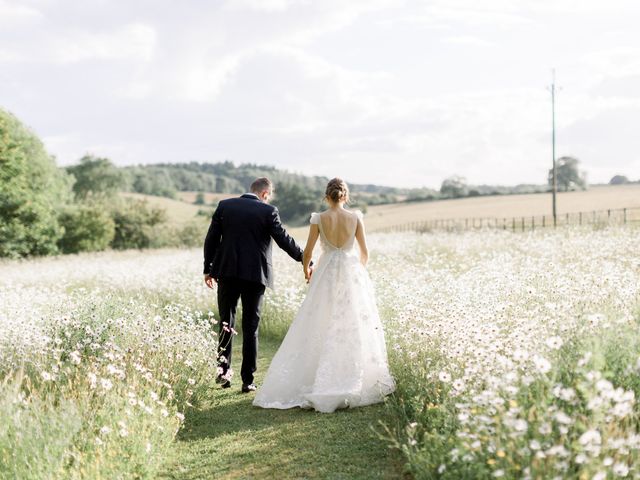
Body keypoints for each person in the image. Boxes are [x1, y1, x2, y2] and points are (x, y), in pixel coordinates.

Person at [253, 178, 395, 413]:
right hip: (351, 271)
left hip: (327, 270)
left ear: (326, 196)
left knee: (320, 319)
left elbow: (307, 252)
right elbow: (365, 253)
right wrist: (358, 273)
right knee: (353, 323)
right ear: (345, 196)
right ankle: (356, 376)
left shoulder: (319, 219)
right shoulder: (356, 217)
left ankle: (318, 375)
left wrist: (307, 271)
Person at [203, 177, 305, 392]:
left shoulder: (225, 206)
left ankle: (223, 373)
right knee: (251, 328)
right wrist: (306, 259)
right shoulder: (268, 211)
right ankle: (247, 381)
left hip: (227, 273)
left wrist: (208, 268)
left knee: (226, 323)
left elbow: (211, 238)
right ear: (265, 194)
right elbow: (284, 240)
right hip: (255, 276)